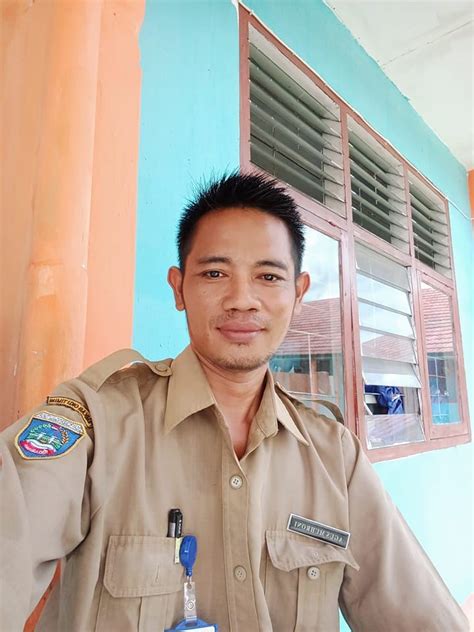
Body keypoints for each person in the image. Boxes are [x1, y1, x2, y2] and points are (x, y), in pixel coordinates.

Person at [0, 172, 468, 632]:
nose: (243, 300)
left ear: (298, 293)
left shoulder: (333, 455)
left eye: (268, 276)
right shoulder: (95, 423)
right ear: (179, 288)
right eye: (215, 273)